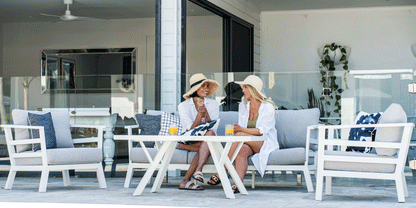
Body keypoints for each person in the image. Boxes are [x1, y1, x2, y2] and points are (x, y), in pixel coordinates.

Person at [207, 75, 279, 193]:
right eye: (243, 87)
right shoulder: (244, 105)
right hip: (247, 141)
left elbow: (262, 131)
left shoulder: (268, 107)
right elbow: (241, 129)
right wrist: (240, 130)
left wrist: (241, 130)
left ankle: (223, 170)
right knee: (241, 151)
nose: (243, 90)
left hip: (264, 142)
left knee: (240, 136)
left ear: (253, 89)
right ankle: (238, 184)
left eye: (245, 87)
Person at [177, 73, 220, 190]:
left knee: (209, 137)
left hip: (205, 140)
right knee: (210, 145)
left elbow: (212, 127)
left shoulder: (214, 104)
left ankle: (191, 176)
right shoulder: (183, 106)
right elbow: (189, 129)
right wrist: (199, 114)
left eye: (207, 86)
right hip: (189, 140)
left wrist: (205, 112)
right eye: (203, 86)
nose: (206, 89)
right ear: (195, 89)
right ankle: (193, 175)